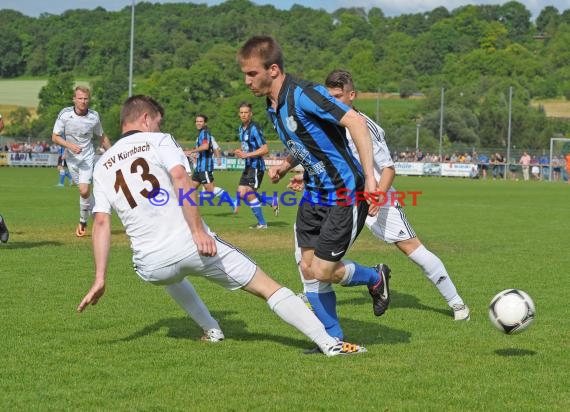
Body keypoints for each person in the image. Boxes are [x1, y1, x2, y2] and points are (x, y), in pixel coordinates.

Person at [77, 94, 365, 356]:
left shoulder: (102, 165)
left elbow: (101, 221)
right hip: (192, 246)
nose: (157, 127)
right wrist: (198, 231)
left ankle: (212, 330)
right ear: (145, 119)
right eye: (157, 122)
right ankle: (331, 344)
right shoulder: (160, 140)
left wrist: (100, 277)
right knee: (268, 287)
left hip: (150, 265)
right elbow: (180, 179)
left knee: (172, 275)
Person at [237, 35, 390, 342]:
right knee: (308, 269)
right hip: (314, 194)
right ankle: (333, 339)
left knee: (321, 270)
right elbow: (304, 141)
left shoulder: (304, 94)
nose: (247, 81)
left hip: (345, 193)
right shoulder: (272, 105)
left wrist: (372, 181)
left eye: (252, 73)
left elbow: (355, 123)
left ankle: (375, 277)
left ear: (274, 70)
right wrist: (289, 164)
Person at [292, 70, 469, 330]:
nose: (333, 101)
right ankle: (314, 298)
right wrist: (302, 176)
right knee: (308, 251)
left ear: (352, 96)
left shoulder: (364, 125)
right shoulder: (326, 122)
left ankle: (457, 303)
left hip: (376, 198)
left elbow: (388, 168)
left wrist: (378, 195)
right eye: (329, 97)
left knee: (413, 249)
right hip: (339, 199)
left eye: (338, 96)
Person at [52, 86, 112, 237]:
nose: (83, 101)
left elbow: (101, 136)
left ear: (89, 99)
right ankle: (97, 216)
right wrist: (69, 145)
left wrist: (112, 153)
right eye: (80, 98)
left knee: (84, 190)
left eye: (86, 98)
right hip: (72, 160)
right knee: (84, 193)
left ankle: (83, 222)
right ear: (74, 99)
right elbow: (55, 137)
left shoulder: (94, 116)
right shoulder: (65, 115)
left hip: (87, 157)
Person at [234, 101, 279, 229]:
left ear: (251, 114)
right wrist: (240, 152)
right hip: (248, 166)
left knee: (248, 193)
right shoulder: (240, 129)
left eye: (246, 112)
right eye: (241, 112)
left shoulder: (254, 128)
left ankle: (262, 224)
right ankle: (271, 201)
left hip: (256, 166)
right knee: (241, 194)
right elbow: (246, 147)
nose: (243, 115)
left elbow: (265, 149)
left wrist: (247, 155)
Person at [184, 115, 236, 212]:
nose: (198, 123)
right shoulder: (200, 134)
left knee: (210, 189)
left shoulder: (205, 133)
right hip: (199, 167)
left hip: (205, 166)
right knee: (190, 188)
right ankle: (184, 211)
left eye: (201, 121)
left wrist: (192, 151)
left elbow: (206, 146)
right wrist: (195, 155)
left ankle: (233, 201)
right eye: (197, 121)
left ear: (205, 123)